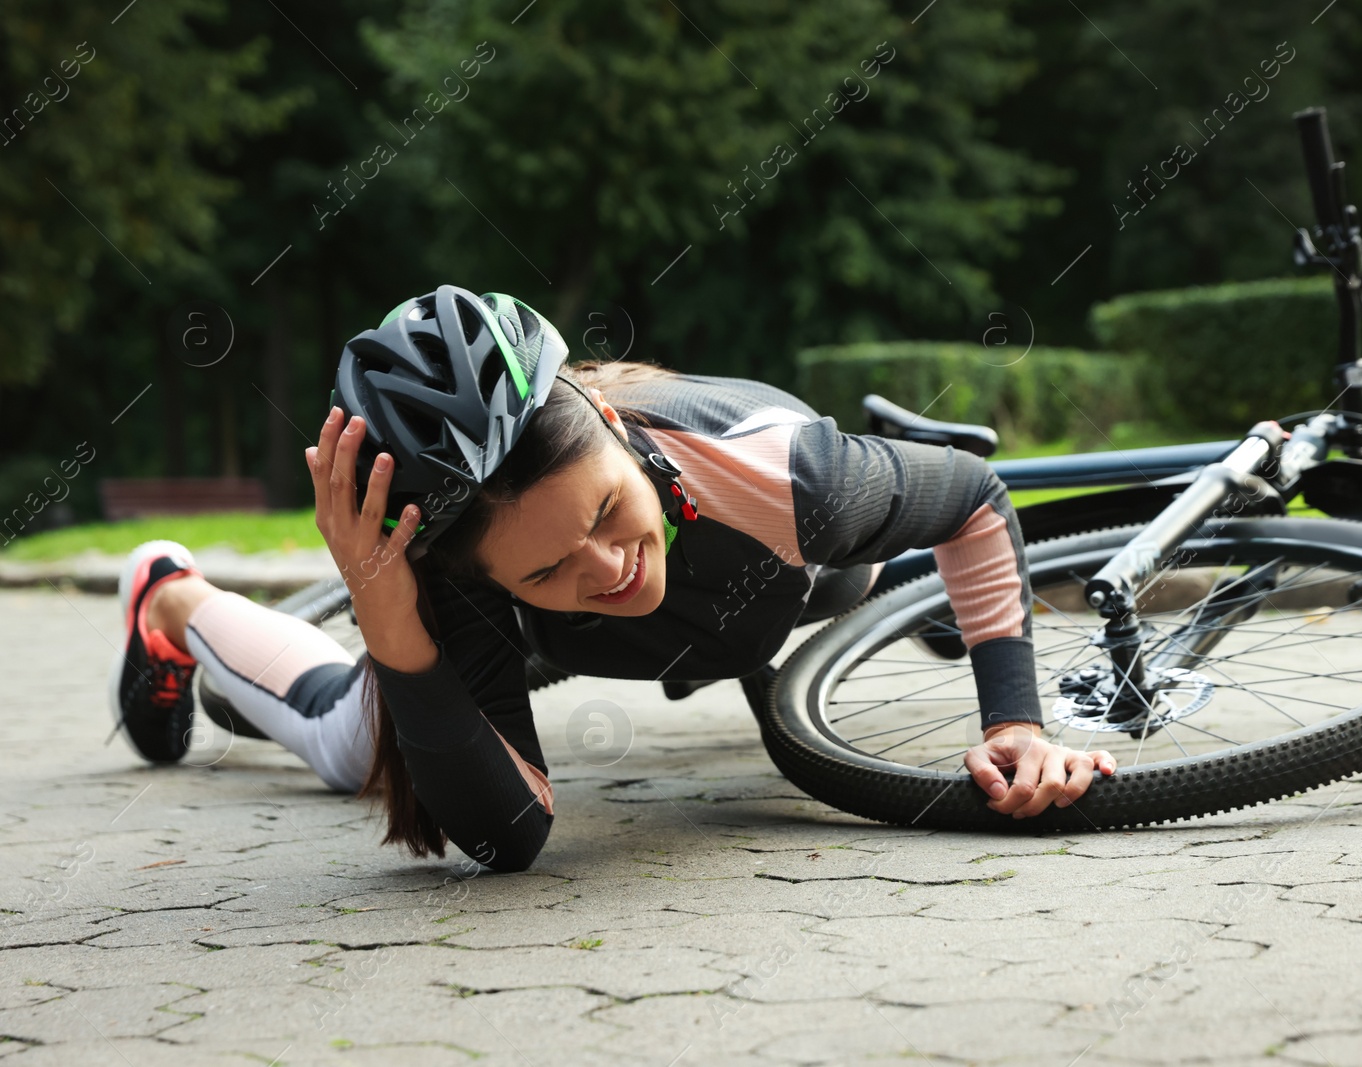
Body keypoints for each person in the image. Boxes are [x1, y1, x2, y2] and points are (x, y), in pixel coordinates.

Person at [107, 285, 1116, 872]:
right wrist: (388, 609)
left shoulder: (781, 470)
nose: (609, 568)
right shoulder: (457, 586)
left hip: (792, 573)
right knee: (346, 738)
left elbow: (979, 499)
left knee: (853, 573)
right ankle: (167, 597)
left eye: (602, 511)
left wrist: (1014, 724)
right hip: (549, 631)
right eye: (546, 565)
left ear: (615, 429)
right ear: (485, 573)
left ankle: (894, 456)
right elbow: (508, 836)